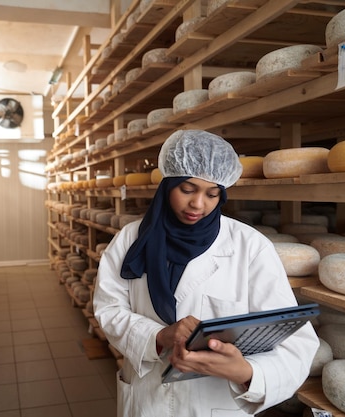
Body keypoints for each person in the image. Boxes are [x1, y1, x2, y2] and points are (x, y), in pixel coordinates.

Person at [93, 129, 319, 417]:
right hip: (147, 398)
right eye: (187, 189)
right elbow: (109, 308)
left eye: (212, 194)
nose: (198, 204)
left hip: (215, 404)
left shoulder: (250, 247)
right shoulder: (130, 239)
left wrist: (247, 372)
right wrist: (159, 336)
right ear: (167, 185)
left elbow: (296, 345)